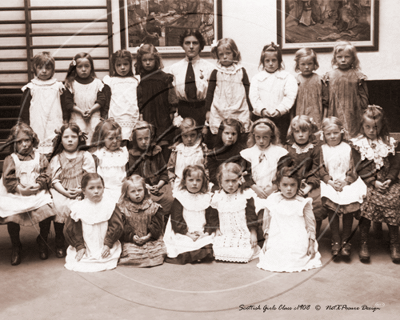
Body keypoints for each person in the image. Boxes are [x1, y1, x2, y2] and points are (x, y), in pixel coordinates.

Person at [0, 123, 55, 265]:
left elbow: (46, 174)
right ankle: (16, 245)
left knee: (46, 209)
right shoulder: (11, 159)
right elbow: (8, 179)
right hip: (17, 193)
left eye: (27, 140)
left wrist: (39, 184)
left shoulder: (40, 157)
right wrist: (20, 190)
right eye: (19, 142)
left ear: (33, 140)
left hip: (36, 192)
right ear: (14, 144)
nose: (24, 145)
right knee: (12, 215)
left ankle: (42, 240)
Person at [351, 105, 400, 263]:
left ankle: (394, 243)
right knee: (366, 200)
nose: (372, 131)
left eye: (376, 127)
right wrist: (373, 181)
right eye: (368, 127)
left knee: (395, 196)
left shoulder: (389, 142)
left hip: (387, 179)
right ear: (362, 126)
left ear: (382, 126)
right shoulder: (359, 144)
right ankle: (364, 242)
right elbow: (359, 166)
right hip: (367, 180)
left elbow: (395, 164)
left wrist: (390, 179)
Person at [257, 165, 322, 272]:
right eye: (285, 185)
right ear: (278, 185)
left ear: (298, 185)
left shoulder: (303, 202)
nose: (289, 189)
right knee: (275, 253)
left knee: (297, 253)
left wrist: (311, 243)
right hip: (278, 235)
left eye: (293, 185)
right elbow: (267, 222)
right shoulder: (273, 200)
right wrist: (267, 239)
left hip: (297, 235)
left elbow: (311, 225)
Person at [319, 117, 366, 258]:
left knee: (349, 201)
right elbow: (320, 169)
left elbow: (354, 168)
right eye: (328, 134)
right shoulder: (322, 149)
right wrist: (330, 181)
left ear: (341, 132)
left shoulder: (349, 148)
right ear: (323, 135)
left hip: (347, 181)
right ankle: (335, 240)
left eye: (335, 132)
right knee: (331, 202)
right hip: (330, 182)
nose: (332, 136)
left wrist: (347, 181)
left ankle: (346, 239)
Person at [48, 123, 96, 258]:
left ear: (79, 139)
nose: (70, 140)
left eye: (73, 137)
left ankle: (82, 240)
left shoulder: (86, 155)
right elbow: (55, 180)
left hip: (82, 189)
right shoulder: (57, 158)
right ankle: (59, 240)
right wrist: (65, 192)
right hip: (62, 189)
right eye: (66, 137)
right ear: (61, 139)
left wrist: (82, 190)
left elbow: (90, 176)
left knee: (84, 205)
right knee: (60, 205)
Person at [64, 173, 122, 272]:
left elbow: (116, 226)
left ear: (104, 188)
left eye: (99, 187)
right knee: (78, 261)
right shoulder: (77, 207)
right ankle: (82, 250)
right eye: (91, 188)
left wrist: (108, 244)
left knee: (107, 258)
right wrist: (79, 246)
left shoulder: (110, 205)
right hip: (85, 243)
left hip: (105, 242)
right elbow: (71, 229)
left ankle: (106, 248)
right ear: (83, 191)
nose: (96, 191)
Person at [279, 116, 327, 236]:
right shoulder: (287, 148)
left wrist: (308, 187)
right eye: (297, 131)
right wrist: (293, 185)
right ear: (292, 132)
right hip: (292, 182)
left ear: (310, 131)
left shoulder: (316, 147)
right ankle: (292, 234)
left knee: (316, 202)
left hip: (311, 182)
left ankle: (314, 235)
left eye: (304, 131)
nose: (300, 135)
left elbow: (316, 169)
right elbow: (284, 170)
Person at [204, 38, 252, 146]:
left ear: (234, 54)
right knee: (219, 134)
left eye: (228, 53)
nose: (225, 57)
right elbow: (210, 92)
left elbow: (248, 90)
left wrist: (250, 108)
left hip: (239, 107)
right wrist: (207, 110)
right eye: (221, 54)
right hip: (219, 108)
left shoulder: (241, 71)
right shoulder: (216, 72)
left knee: (239, 135)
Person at [163, 165, 214, 264]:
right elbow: (176, 219)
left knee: (210, 240)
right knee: (183, 243)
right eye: (191, 180)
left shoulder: (206, 198)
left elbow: (210, 218)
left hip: (202, 231)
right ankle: (194, 254)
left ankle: (200, 252)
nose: (194, 183)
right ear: (184, 182)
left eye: (198, 180)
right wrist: (188, 234)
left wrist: (206, 232)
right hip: (184, 231)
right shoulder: (180, 198)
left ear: (203, 182)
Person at [20, 52, 67, 155]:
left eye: (48, 68)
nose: (44, 71)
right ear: (34, 69)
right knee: (38, 148)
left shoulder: (58, 87)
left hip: (54, 122)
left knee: (55, 148)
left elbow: (65, 107)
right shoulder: (31, 87)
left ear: (53, 69)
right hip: (37, 123)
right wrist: (26, 127)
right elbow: (24, 110)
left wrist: (65, 122)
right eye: (40, 68)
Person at [127, 121, 174, 226]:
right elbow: (134, 176)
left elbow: (164, 173)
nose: (144, 142)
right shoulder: (133, 155)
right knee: (147, 201)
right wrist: (147, 187)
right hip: (143, 187)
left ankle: (165, 225)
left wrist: (159, 185)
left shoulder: (157, 151)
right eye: (140, 139)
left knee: (170, 199)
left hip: (159, 185)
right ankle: (151, 226)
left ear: (151, 138)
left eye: (146, 138)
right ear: (135, 140)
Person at [211, 163, 260, 263]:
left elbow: (251, 216)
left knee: (245, 251)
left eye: (234, 181)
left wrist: (253, 233)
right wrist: (215, 228)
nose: (230, 184)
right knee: (218, 249)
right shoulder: (217, 197)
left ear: (240, 180)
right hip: (225, 232)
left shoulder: (245, 195)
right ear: (220, 181)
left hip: (243, 232)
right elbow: (213, 216)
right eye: (227, 181)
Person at [114, 175, 167, 267]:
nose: (137, 194)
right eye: (133, 191)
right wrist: (132, 237)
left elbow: (157, 226)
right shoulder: (122, 208)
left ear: (145, 190)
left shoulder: (154, 207)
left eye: (140, 190)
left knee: (159, 253)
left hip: (150, 239)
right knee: (131, 255)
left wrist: (148, 236)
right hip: (131, 240)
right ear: (127, 193)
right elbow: (123, 227)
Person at [249, 42, 298, 142]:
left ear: (279, 61)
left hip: (281, 118)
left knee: (279, 142)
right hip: (261, 118)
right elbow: (254, 97)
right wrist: (262, 110)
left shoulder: (287, 77)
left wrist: (280, 110)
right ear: (263, 62)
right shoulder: (257, 78)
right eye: (267, 61)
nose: (271, 63)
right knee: (262, 142)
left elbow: (290, 96)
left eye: (274, 60)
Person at [135, 44, 177, 161]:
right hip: (148, 113)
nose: (148, 63)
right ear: (140, 61)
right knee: (148, 140)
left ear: (156, 60)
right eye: (145, 60)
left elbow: (171, 96)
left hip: (162, 114)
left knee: (164, 139)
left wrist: (171, 112)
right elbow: (139, 98)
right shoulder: (139, 79)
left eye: (151, 60)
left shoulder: (164, 77)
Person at [168, 29, 214, 127]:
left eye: (195, 43)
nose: (191, 47)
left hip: (203, 110)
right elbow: (172, 96)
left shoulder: (210, 68)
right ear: (182, 45)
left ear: (200, 45)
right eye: (187, 43)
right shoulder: (174, 69)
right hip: (182, 110)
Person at [323, 41, 369, 138]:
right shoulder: (329, 75)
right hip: (334, 110)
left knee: (353, 134)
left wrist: (362, 112)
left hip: (353, 110)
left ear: (353, 58)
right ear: (335, 59)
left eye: (347, 57)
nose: (343, 60)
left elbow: (364, 97)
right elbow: (325, 97)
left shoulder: (358, 75)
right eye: (339, 57)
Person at [240, 119, 288, 203]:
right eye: (258, 137)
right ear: (253, 136)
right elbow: (245, 174)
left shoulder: (280, 153)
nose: (261, 141)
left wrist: (273, 187)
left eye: (265, 137)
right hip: (253, 189)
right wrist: (255, 188)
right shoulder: (247, 154)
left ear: (271, 136)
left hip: (274, 189)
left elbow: (283, 172)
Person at [64, 52, 107, 144]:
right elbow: (68, 103)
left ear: (91, 67)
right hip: (77, 119)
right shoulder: (71, 84)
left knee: (94, 143)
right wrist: (80, 111)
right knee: (79, 144)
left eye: (87, 66)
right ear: (75, 68)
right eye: (80, 67)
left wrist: (91, 110)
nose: (83, 69)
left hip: (94, 119)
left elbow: (101, 100)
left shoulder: (98, 83)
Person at [103, 49, 139, 143]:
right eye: (119, 65)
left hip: (132, 116)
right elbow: (107, 101)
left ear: (130, 64)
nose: (122, 68)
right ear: (114, 66)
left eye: (125, 64)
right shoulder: (110, 81)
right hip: (116, 116)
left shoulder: (136, 80)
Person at [91, 119, 129, 203]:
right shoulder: (99, 154)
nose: (115, 141)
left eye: (118, 138)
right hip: (105, 189)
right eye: (111, 138)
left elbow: (128, 171)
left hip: (122, 187)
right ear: (102, 139)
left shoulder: (124, 152)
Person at [167, 118, 208, 190]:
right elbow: (170, 168)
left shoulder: (202, 148)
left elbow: (206, 167)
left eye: (192, 135)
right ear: (180, 136)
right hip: (180, 184)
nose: (189, 139)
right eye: (185, 136)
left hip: (198, 184)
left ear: (198, 134)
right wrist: (172, 181)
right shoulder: (177, 150)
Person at [293, 47, 328, 129]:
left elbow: (325, 102)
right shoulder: (295, 80)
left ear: (315, 64)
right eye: (303, 64)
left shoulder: (320, 80)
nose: (306, 67)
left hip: (316, 114)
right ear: (298, 65)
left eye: (309, 63)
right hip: (300, 114)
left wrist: (324, 118)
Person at [207, 118, 247, 189]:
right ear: (221, 134)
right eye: (227, 133)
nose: (230, 137)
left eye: (233, 134)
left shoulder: (243, 152)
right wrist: (223, 183)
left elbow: (246, 171)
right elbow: (213, 174)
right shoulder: (214, 153)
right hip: (220, 185)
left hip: (238, 185)